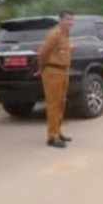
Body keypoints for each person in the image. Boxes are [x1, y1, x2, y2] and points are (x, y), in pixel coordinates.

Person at [37, 9, 74, 149]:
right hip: (53, 71)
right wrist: (42, 68)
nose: (70, 22)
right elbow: (43, 53)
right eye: (67, 19)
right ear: (60, 20)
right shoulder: (54, 34)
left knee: (61, 103)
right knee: (53, 104)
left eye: (71, 20)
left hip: (63, 71)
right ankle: (52, 136)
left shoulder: (65, 34)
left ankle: (58, 131)